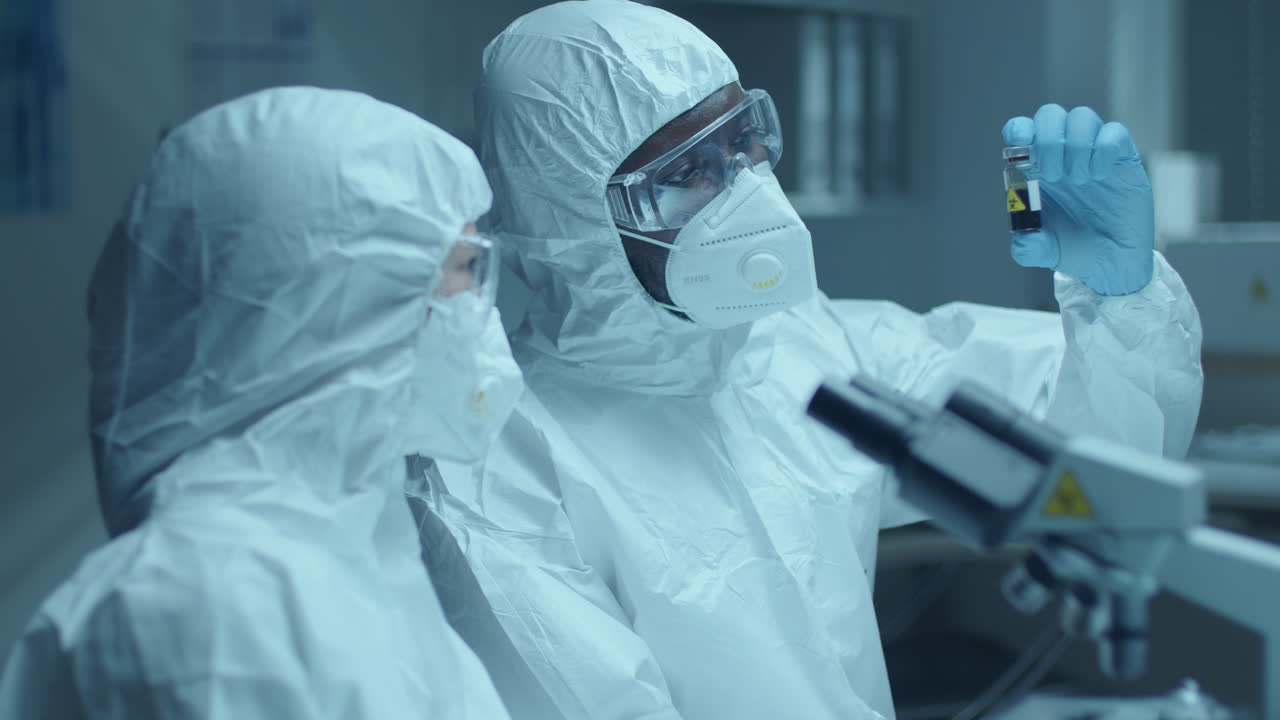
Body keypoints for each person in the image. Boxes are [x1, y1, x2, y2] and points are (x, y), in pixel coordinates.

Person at [419, 2, 1205, 719]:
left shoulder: (798, 351)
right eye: (690, 172)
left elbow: (1094, 476)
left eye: (743, 139)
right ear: (575, 223)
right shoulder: (506, 471)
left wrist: (1120, 300)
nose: (748, 189)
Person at [0, 87, 522, 719]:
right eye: (465, 269)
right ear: (338, 303)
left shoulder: (347, 551)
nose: (478, 309)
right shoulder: (207, 598)